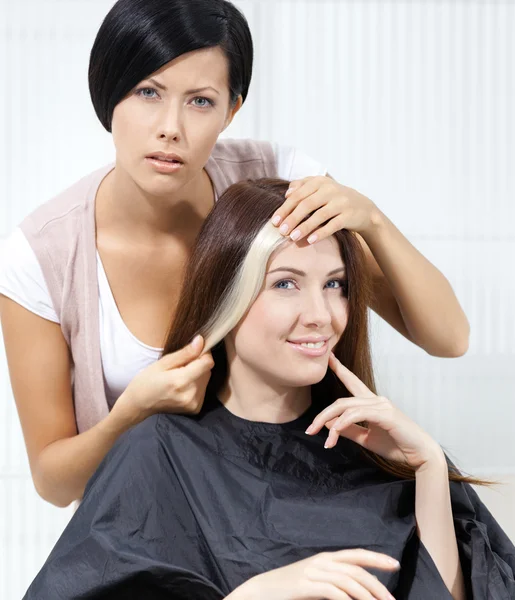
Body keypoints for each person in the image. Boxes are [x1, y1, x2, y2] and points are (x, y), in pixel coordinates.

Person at [0, 0, 470, 509]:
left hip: (293, 500)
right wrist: (129, 414)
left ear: (232, 110)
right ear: (109, 93)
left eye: (200, 101)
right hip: (154, 526)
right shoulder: (40, 258)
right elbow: (56, 484)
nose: (170, 127)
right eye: (147, 92)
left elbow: (448, 339)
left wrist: (373, 221)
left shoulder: (281, 185)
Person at [24, 179, 514, 600]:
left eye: (336, 285)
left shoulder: (382, 449)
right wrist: (254, 594)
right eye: (285, 284)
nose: (321, 315)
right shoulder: (159, 456)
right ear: (227, 296)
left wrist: (429, 468)